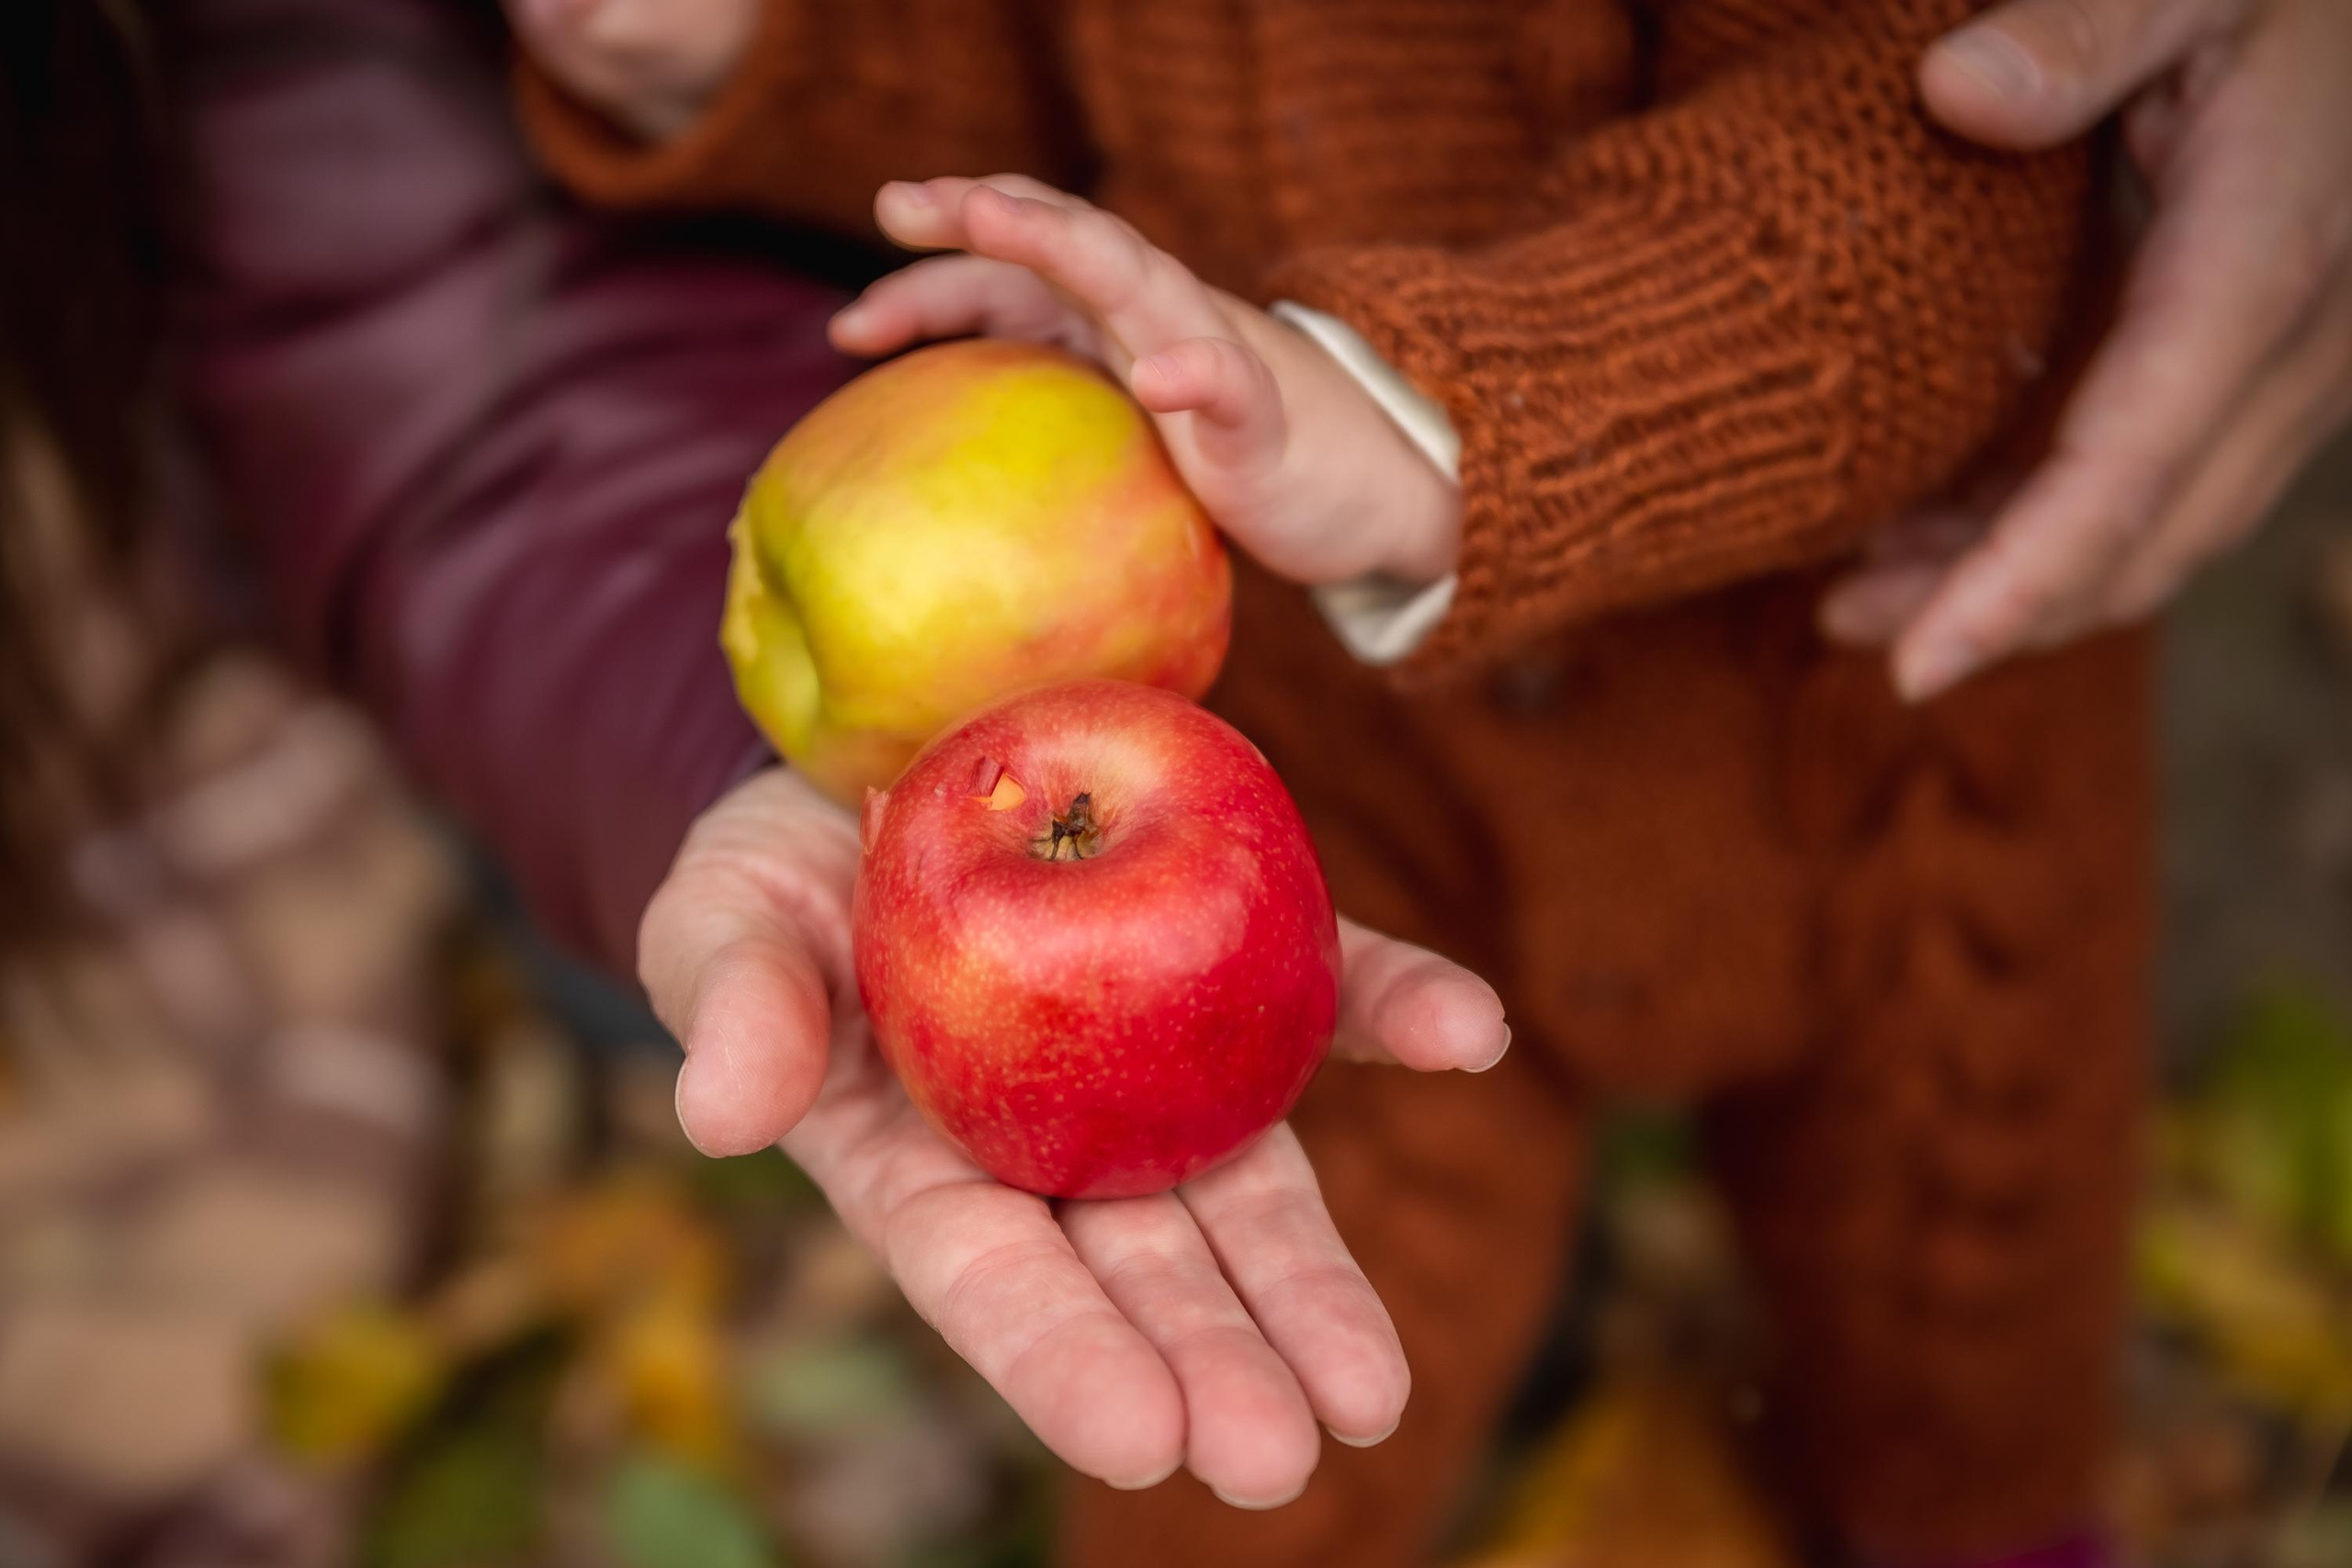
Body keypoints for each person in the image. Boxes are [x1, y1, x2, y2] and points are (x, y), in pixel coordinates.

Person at [502, 0, 2352, 1563]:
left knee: (1958, 1287)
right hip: (1312, 793)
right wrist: (772, 52)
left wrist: (1416, 420)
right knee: (1248, 1379)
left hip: (1876, 762)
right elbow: (1030, 58)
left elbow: (1931, 189)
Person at [6, 0, 1506, 1549]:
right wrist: (718, 761)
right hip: (698, 618)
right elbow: (408, 353)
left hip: (990, 516)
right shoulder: (248, 109)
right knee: (692, 993)